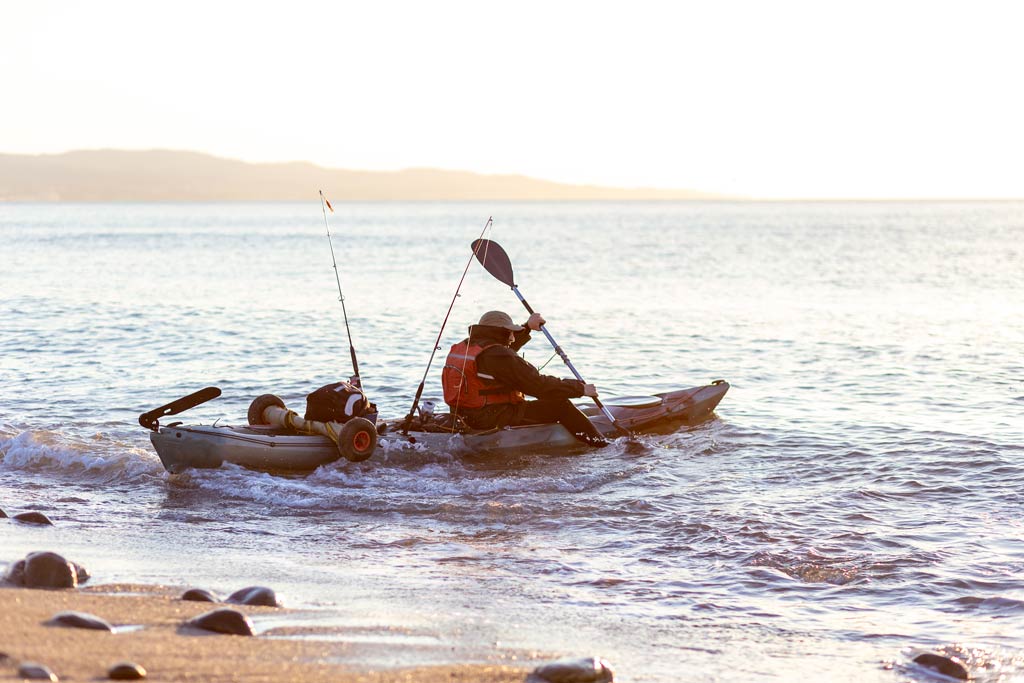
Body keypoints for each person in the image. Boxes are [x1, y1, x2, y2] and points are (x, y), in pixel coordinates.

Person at [441, 310, 609, 447]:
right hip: (490, 416)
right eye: (511, 332)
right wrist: (579, 389)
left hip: (463, 414)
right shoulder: (498, 356)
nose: (513, 337)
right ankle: (601, 445)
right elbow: (538, 386)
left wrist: (527, 327)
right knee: (561, 405)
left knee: (553, 399)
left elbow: (501, 353)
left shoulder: (468, 346)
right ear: (502, 332)